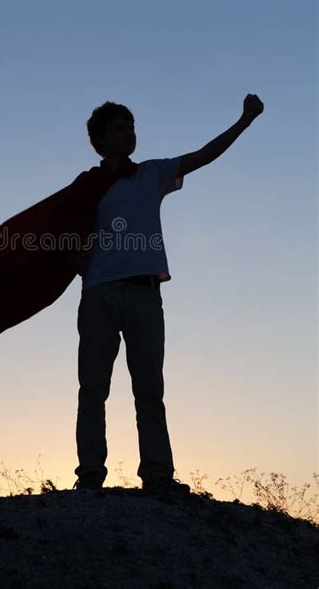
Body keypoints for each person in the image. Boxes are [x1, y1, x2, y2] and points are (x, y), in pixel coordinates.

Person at [72, 95, 264, 496]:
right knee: (93, 387)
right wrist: (79, 262)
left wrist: (243, 121)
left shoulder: (152, 173)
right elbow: (64, 235)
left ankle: (157, 475)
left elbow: (204, 155)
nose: (130, 132)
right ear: (100, 140)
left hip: (144, 293)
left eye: (132, 125)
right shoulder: (87, 186)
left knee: (149, 388)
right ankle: (90, 473)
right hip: (100, 295)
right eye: (121, 127)